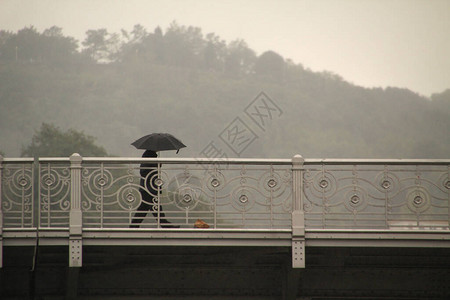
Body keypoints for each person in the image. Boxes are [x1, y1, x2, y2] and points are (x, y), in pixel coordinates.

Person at [130, 150, 179, 228]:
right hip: (148, 188)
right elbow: (144, 171)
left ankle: (134, 226)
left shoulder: (151, 155)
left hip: (150, 187)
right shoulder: (147, 155)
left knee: (145, 208)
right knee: (154, 207)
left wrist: (157, 164)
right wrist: (156, 164)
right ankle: (164, 224)